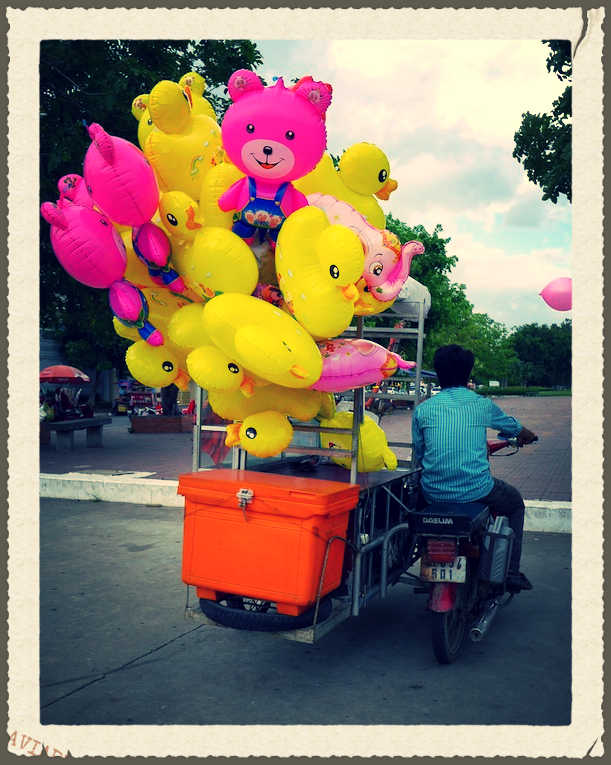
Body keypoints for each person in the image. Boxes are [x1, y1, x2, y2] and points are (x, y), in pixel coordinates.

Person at [411, 344, 537, 592]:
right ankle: (511, 572)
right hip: (477, 490)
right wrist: (528, 435)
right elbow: (514, 427)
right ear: (467, 373)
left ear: (438, 373)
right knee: (514, 503)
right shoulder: (482, 405)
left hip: (433, 492)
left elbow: (420, 453)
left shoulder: (423, 410)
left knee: (416, 503)